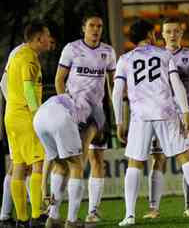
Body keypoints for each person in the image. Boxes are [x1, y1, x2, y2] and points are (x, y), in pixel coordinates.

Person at [112, 19, 189, 226]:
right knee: (185, 157)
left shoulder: (124, 59)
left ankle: (129, 215)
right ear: (149, 35)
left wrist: (119, 121)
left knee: (135, 163)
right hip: (166, 112)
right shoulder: (164, 55)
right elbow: (177, 85)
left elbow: (117, 93)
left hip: (140, 116)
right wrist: (185, 112)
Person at [142, 17, 189, 219]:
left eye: (176, 31)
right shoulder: (155, 57)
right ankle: (153, 208)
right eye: (168, 31)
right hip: (161, 115)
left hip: (186, 114)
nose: (172, 35)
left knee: (188, 159)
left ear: (181, 33)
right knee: (158, 159)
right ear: (161, 35)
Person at [53, 11, 116, 224]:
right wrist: (66, 105)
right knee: (68, 161)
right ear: (83, 28)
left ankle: (93, 211)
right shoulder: (71, 49)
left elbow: (111, 83)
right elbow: (59, 80)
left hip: (97, 113)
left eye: (99, 26)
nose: (96, 29)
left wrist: (114, 110)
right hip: (74, 111)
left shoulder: (108, 52)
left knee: (97, 159)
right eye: (92, 26)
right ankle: (56, 211)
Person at [4, 20, 52, 227]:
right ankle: (36, 215)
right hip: (26, 117)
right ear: (39, 38)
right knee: (38, 163)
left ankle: (21, 220)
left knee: (18, 166)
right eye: (47, 35)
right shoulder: (29, 59)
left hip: (11, 116)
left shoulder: (18, 54)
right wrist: (37, 115)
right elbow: (29, 90)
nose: (49, 39)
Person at [34, 94, 87, 228]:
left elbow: (49, 156)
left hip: (38, 119)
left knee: (60, 165)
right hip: (59, 118)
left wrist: (44, 187)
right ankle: (72, 221)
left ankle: (53, 218)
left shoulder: (60, 97)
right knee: (77, 166)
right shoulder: (85, 105)